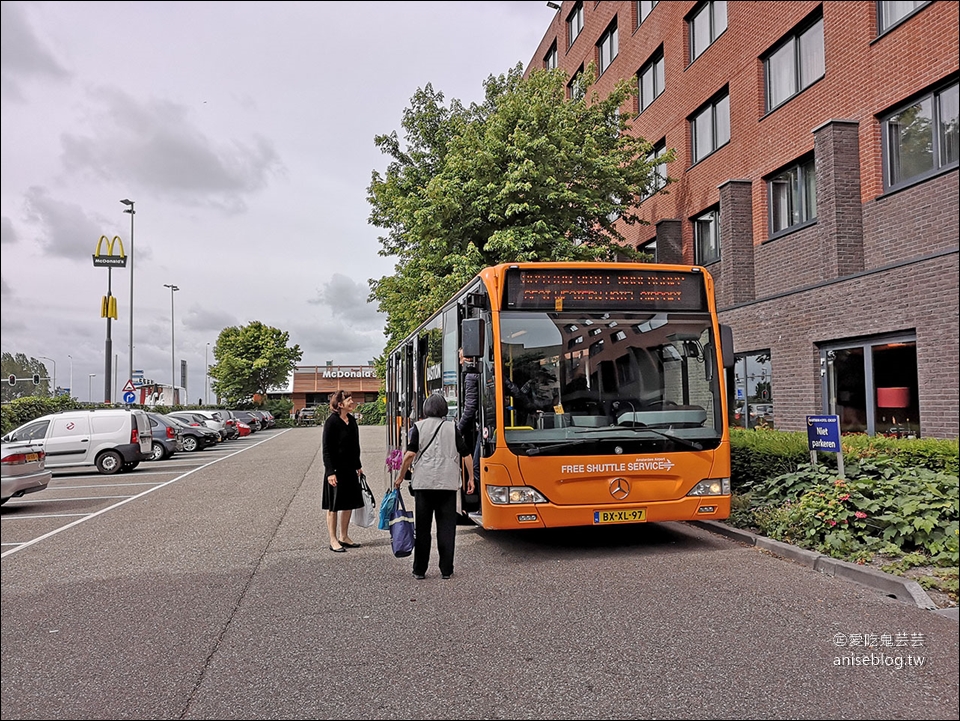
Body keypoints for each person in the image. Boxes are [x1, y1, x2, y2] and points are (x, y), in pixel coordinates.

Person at [395, 393, 474, 580]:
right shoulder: (451, 428)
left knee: (423, 529)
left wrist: (400, 476)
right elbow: (466, 454)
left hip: (424, 485)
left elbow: (409, 455)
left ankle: (419, 570)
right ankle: (446, 570)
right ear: (444, 409)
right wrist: (471, 478)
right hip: (447, 485)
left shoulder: (418, 427)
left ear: (426, 409)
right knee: (446, 528)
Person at [321, 390, 364, 552]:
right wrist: (330, 472)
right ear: (340, 404)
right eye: (349, 400)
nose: (352, 402)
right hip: (335, 470)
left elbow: (355, 445)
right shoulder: (331, 422)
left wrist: (358, 465)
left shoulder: (351, 420)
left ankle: (343, 536)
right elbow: (326, 449)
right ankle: (333, 540)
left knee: (348, 504)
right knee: (333, 506)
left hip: (349, 469)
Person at [457, 349, 481, 488]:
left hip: (484, 427)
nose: (460, 363)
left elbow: (470, 409)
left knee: (476, 466)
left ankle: (480, 506)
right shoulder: (492, 370)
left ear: (469, 358)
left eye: (461, 359)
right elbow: (514, 390)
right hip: (491, 425)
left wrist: (457, 431)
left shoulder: (470, 376)